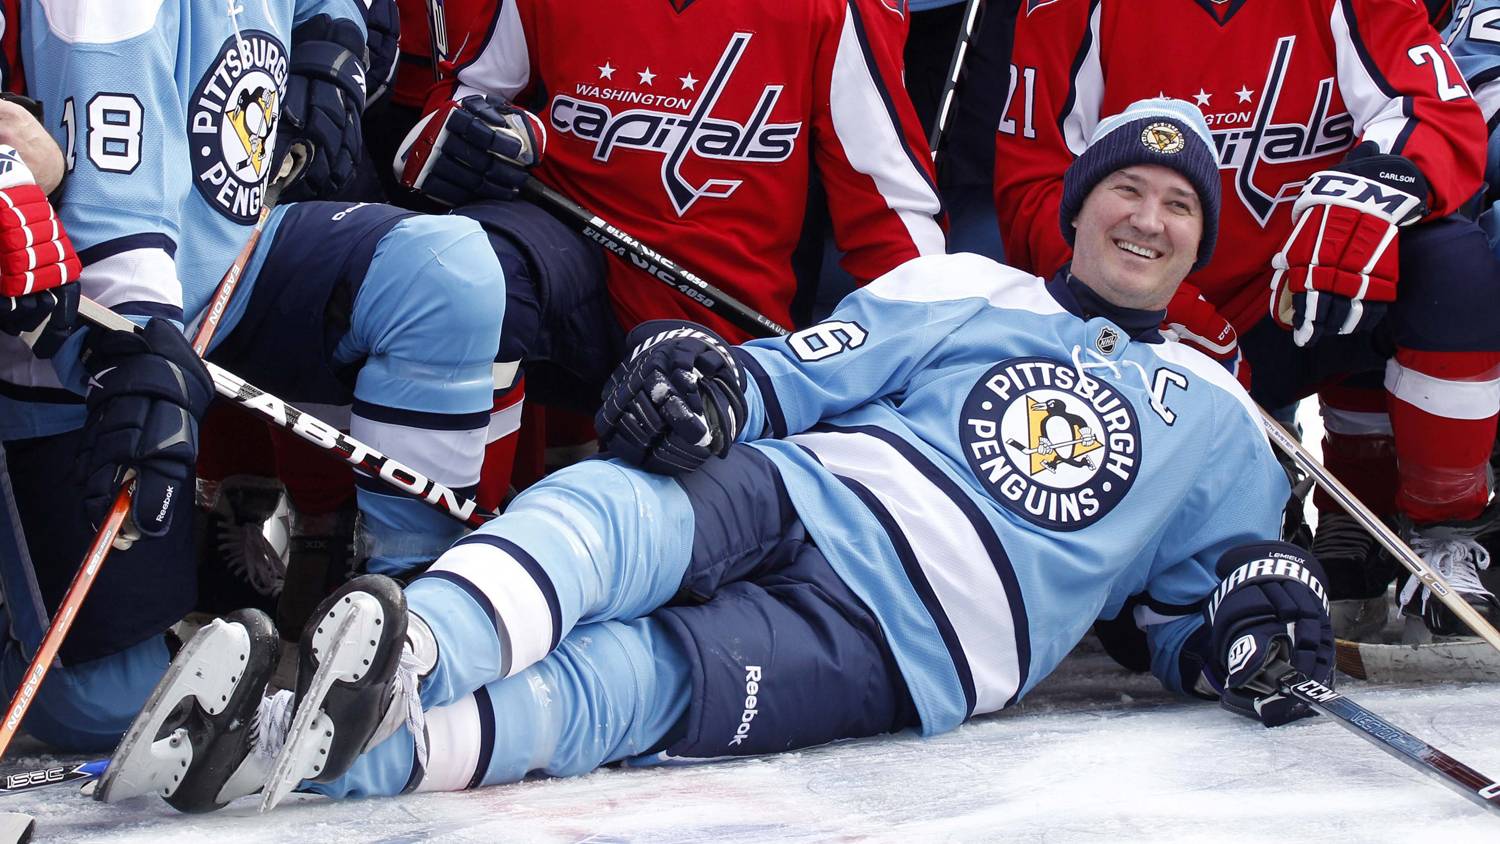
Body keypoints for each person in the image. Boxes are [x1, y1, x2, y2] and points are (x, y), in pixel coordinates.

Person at [98, 99, 1333, 815]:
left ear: (1197, 241)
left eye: (1179, 208)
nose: (1151, 219)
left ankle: (318, 759)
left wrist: (1251, 622)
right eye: (1128, 191)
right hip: (814, 489)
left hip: (918, 644)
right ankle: (414, 645)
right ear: (1077, 208)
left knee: (632, 684)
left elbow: (1184, 613)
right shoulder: (978, 286)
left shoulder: (1221, 420)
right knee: (611, 512)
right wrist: (706, 374)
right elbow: (795, 374)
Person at [0, 0, 505, 752]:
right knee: (110, 711)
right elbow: (108, 159)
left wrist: (328, 45)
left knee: (443, 273)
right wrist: (128, 340)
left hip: (234, 257)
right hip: (75, 308)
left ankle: (410, 618)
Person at [994, 0, 1500, 643]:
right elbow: (1033, 184)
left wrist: (1368, 195)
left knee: (1448, 262)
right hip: (1157, 324)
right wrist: (1153, 299)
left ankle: (1429, 530)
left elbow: (1437, 111)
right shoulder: (1066, 10)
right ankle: (1245, 506)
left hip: (1304, 284)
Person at [387, 0, 947, 507]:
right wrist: (461, 137)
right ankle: (435, 563)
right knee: (465, 274)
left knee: (663, 554)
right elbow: (454, 115)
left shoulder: (836, 10)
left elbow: (892, 216)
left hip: (716, 338)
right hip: (565, 270)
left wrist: (927, 363)